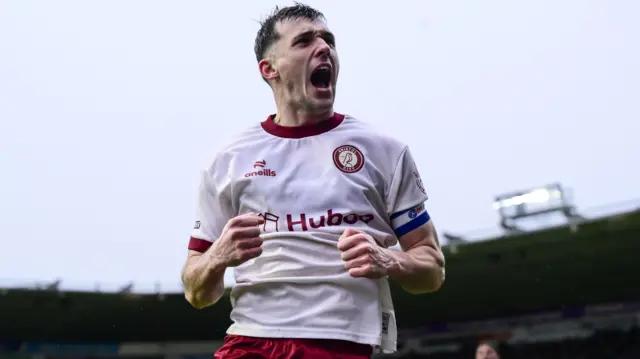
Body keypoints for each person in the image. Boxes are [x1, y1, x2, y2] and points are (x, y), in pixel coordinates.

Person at [181, 3, 445, 359]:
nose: (324, 48)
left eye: (328, 40)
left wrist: (389, 260)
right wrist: (217, 257)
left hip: (339, 344)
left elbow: (432, 270)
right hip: (249, 340)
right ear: (269, 68)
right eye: (304, 41)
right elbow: (197, 292)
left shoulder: (384, 151)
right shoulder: (228, 160)